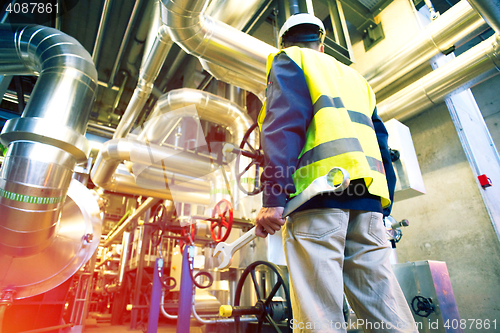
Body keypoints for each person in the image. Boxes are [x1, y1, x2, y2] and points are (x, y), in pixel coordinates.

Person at [255, 13, 418, 333]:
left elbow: (282, 128)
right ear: (322, 41)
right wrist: (385, 206)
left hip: (319, 198)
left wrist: (273, 198)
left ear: (283, 42)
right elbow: (382, 146)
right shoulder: (356, 80)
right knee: (382, 302)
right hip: (368, 199)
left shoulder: (290, 60)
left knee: (319, 313)